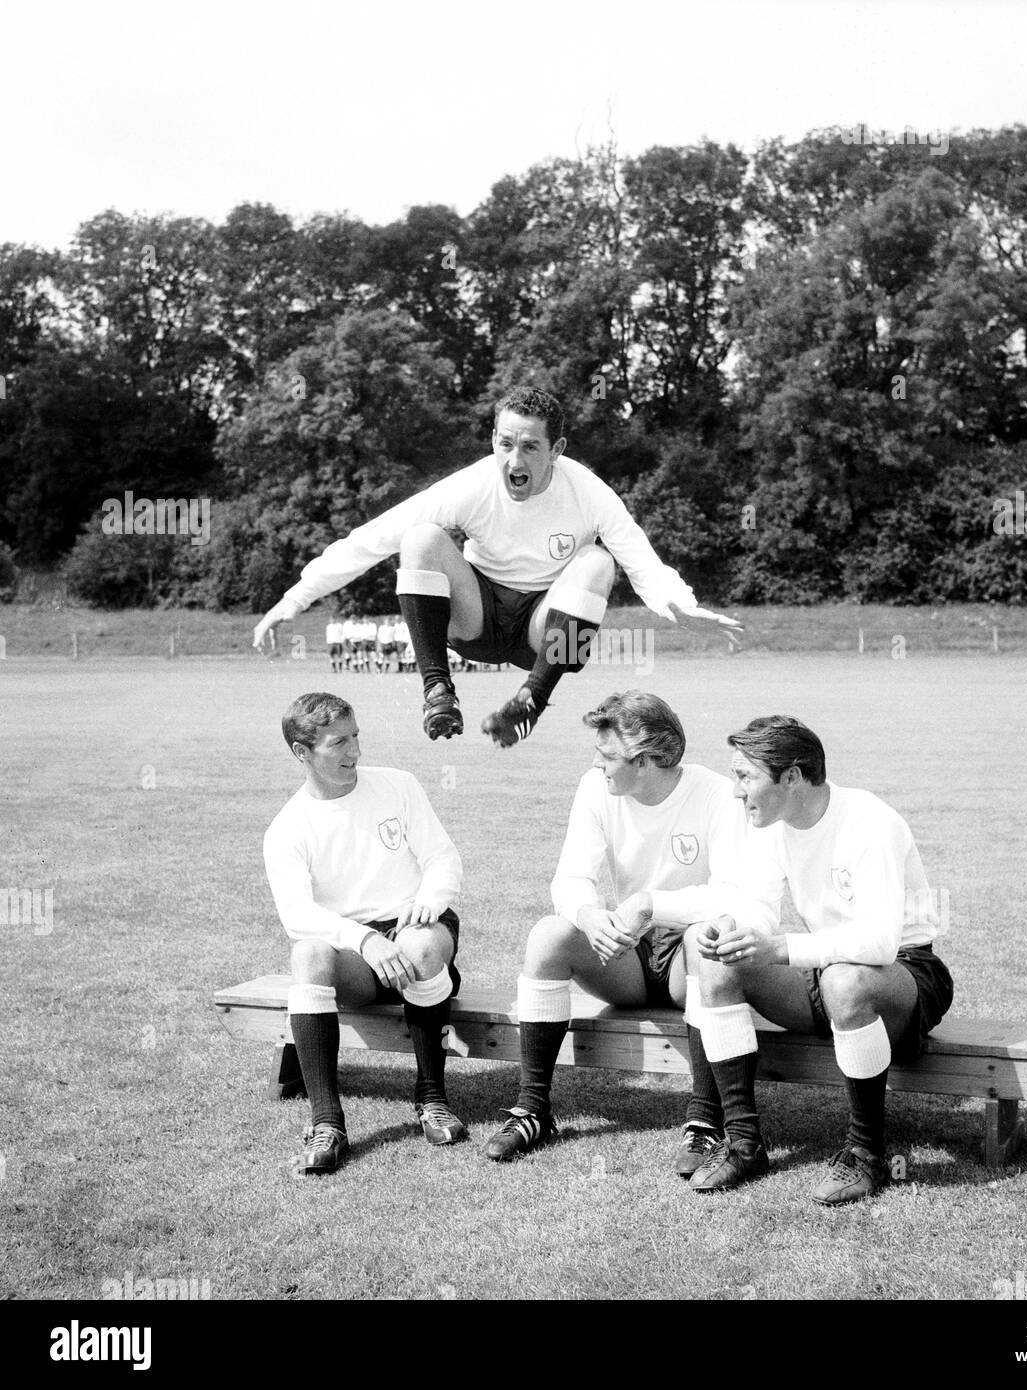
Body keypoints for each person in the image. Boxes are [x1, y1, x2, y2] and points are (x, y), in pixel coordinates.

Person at [252, 386, 741, 748]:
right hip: (475, 621)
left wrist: (682, 604)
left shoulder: (589, 493)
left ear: (557, 450)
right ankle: (438, 691)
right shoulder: (471, 486)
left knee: (597, 561)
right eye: (505, 443)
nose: (514, 458)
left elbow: (641, 560)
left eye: (530, 446)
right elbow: (371, 539)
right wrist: (293, 599)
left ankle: (529, 702)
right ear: (492, 440)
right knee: (421, 538)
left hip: (542, 636)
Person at [680, 716, 953, 1204]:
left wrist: (782, 948)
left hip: (905, 976)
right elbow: (759, 911)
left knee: (847, 982)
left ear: (792, 776)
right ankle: (743, 1143)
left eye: (746, 777)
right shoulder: (771, 826)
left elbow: (880, 943)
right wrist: (728, 928)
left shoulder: (871, 821)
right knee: (720, 962)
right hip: (824, 970)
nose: (736, 791)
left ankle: (867, 1154)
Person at [484, 690, 746, 1176]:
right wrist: (587, 915)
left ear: (645, 761)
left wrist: (653, 906)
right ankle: (533, 1110)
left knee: (706, 935)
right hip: (627, 950)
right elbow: (570, 878)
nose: (597, 764)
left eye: (608, 756)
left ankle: (706, 1122)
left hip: (691, 955)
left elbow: (735, 894)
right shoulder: (594, 787)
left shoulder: (715, 795)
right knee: (549, 934)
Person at [263, 692, 466, 1175]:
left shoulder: (398, 785)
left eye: (356, 737)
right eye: (338, 743)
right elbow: (296, 915)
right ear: (302, 752)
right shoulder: (287, 828)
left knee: (417, 946)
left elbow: (443, 858)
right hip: (354, 952)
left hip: (417, 926)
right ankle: (327, 1122)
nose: (354, 752)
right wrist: (365, 940)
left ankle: (431, 1098)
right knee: (308, 955)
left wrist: (429, 903)